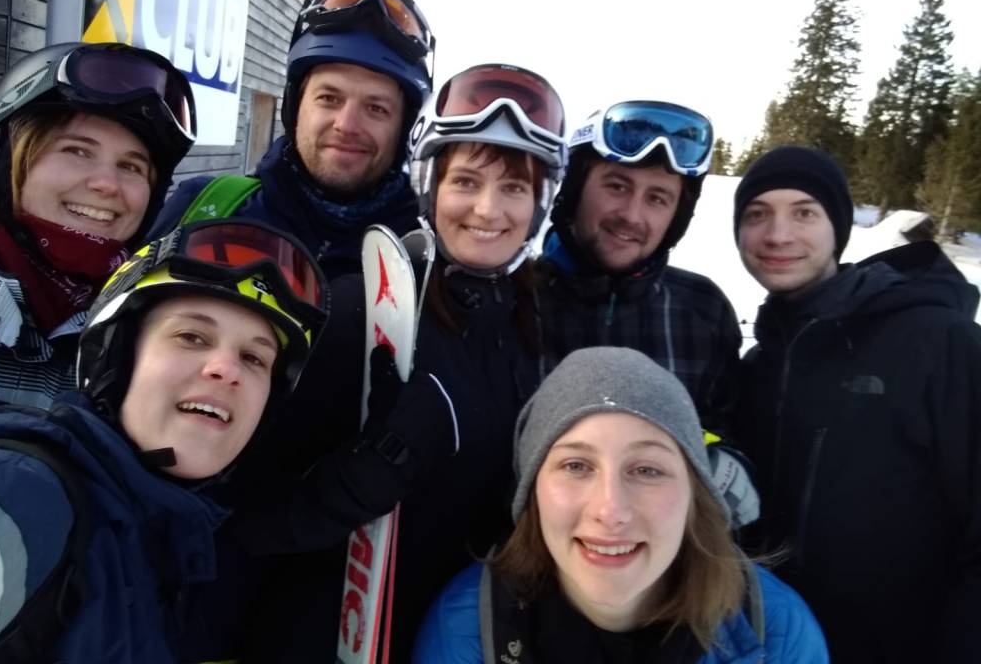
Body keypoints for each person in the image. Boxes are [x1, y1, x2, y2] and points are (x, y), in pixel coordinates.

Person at [241, 63, 566, 662]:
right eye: (465, 181)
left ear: (539, 204)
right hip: (327, 637)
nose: (488, 209)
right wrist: (354, 484)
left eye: (514, 188)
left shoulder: (541, 326)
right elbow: (242, 521)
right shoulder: (356, 312)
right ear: (430, 185)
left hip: (464, 640)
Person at [0, 218, 328, 663]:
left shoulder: (161, 548)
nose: (227, 369)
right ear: (114, 359)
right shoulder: (24, 498)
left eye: (253, 358)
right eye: (191, 337)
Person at [414, 346, 828, 663]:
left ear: (694, 494)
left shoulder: (774, 627)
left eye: (647, 470)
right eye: (576, 466)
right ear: (532, 491)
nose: (610, 511)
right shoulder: (468, 629)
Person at [732, 145, 981, 662]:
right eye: (757, 214)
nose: (778, 234)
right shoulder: (758, 366)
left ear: (838, 230)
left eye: (805, 213)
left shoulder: (939, 342)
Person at [0, 41, 195, 408]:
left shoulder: (148, 314)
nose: (108, 184)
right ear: (3, 162)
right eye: (77, 151)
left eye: (131, 166)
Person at [148, 0, 435, 278]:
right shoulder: (203, 209)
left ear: (405, 129)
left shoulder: (432, 256)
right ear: (295, 107)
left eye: (376, 109)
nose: (346, 125)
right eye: (329, 98)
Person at [538, 101, 740, 436]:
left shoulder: (704, 312)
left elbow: (722, 439)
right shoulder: (516, 301)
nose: (632, 216)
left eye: (657, 198)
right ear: (574, 191)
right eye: (617, 186)